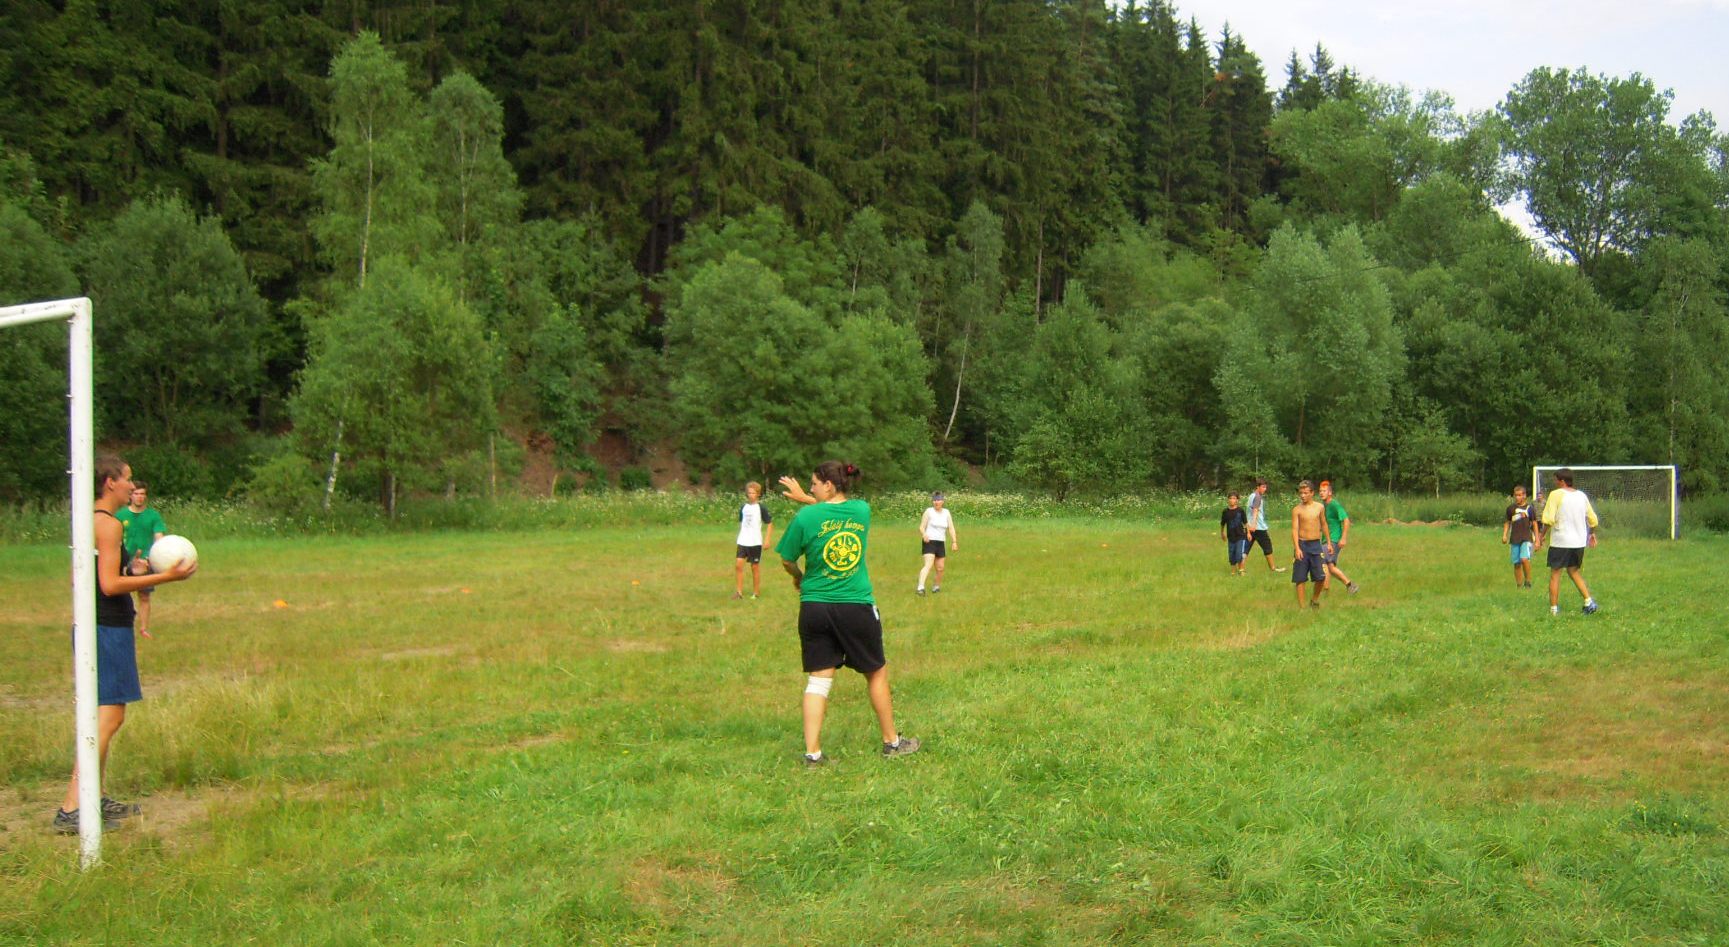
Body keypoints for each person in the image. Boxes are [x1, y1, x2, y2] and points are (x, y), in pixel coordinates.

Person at [55, 456, 196, 834]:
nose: (132, 487)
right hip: (106, 627)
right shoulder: (109, 524)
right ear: (109, 482)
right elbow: (109, 586)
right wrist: (166, 577)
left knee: (101, 714)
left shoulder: (89, 520)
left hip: (95, 625)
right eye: (127, 480)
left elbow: (85, 578)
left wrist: (130, 570)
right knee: (109, 717)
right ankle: (72, 807)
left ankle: (93, 796)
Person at [775, 462, 920, 767]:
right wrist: (807, 498)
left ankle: (813, 755)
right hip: (856, 606)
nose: (811, 488)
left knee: (819, 680)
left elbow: (787, 559)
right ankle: (892, 743)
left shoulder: (805, 517)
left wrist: (799, 577)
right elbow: (831, 510)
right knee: (876, 672)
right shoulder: (861, 511)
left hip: (815, 607)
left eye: (814, 484)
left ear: (828, 485)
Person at [1540, 468, 1600, 615]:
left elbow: (1549, 519)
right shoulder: (1582, 496)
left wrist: (1541, 536)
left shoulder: (1556, 494)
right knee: (1573, 570)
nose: (1555, 482)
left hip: (1561, 541)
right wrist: (1591, 533)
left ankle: (1554, 609)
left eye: (1556, 480)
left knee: (1555, 574)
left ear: (1561, 481)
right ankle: (1589, 602)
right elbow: (1593, 520)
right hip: (1578, 542)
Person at [114, 482, 167, 636]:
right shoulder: (120, 515)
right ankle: (123, 624)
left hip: (145, 561)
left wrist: (152, 558)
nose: (139, 497)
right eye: (136, 494)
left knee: (144, 595)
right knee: (120, 593)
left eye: (142, 494)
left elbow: (159, 538)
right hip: (123, 560)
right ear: (131, 496)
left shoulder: (153, 516)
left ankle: (144, 628)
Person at [1290, 480, 1329, 608]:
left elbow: (1324, 524)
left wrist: (1328, 542)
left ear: (1312, 493)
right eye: (1301, 493)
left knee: (1321, 577)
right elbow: (1294, 529)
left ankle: (1314, 599)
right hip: (1302, 545)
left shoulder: (1320, 507)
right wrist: (1297, 548)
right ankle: (1302, 607)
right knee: (1300, 578)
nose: (1302, 495)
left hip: (1316, 545)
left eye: (1305, 493)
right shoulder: (1297, 510)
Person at [1317, 480, 1359, 595]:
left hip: (1334, 539)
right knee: (1329, 566)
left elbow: (1346, 520)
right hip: (1326, 539)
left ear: (1330, 492)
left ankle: (1344, 586)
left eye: (1324, 491)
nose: (1321, 493)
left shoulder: (1334, 505)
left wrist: (1343, 538)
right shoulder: (1324, 506)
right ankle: (1346, 586)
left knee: (1325, 563)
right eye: (1320, 491)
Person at [733, 481, 773, 600]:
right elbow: (742, 522)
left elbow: (769, 523)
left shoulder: (761, 508)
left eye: (753, 493)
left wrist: (767, 539)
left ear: (758, 494)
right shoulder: (743, 507)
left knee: (754, 567)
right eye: (749, 493)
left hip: (755, 542)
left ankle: (756, 592)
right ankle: (739, 592)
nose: (751, 495)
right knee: (738, 565)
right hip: (743, 541)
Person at [915, 491, 958, 594]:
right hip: (929, 541)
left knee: (940, 568)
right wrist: (924, 534)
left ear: (942, 501)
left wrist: (954, 541)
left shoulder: (946, 512)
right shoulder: (929, 511)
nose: (936, 502)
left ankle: (936, 587)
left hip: (940, 542)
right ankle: (920, 588)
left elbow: (951, 528)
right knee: (928, 564)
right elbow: (921, 527)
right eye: (934, 500)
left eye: (938, 500)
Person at [1502, 483, 1542, 589]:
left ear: (1524, 495)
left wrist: (1537, 540)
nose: (1517, 497)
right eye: (1516, 495)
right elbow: (1507, 522)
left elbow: (1534, 524)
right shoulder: (1510, 509)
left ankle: (1528, 581)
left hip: (1526, 538)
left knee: (1524, 559)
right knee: (1516, 563)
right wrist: (1505, 535)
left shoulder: (1530, 509)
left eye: (1520, 495)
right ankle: (1519, 585)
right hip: (1515, 538)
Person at [1246, 478, 1285, 573]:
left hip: (1249, 527)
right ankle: (1273, 568)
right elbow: (1255, 510)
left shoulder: (1251, 496)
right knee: (1268, 547)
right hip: (1258, 527)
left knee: (1246, 549)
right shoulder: (1258, 497)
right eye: (1263, 487)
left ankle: (1241, 568)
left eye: (1265, 487)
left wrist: (1250, 525)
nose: (1265, 489)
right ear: (1257, 487)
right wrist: (1254, 524)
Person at [1220, 492, 1249, 576]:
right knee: (1231, 553)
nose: (1232, 500)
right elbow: (1222, 523)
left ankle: (1241, 570)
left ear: (1237, 500)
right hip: (1231, 536)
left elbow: (1245, 523)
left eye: (1234, 498)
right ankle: (1233, 571)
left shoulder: (1240, 511)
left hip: (1240, 536)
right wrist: (1222, 533)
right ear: (1228, 500)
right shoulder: (1225, 512)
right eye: (1230, 498)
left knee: (1239, 553)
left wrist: (1248, 533)